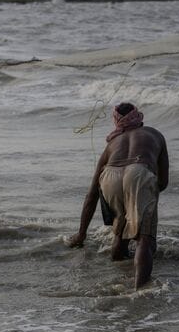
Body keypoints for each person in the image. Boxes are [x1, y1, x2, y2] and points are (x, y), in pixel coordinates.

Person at [68, 102, 169, 289]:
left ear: (117, 122)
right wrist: (143, 203)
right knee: (143, 239)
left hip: (110, 176)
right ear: (138, 116)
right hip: (139, 171)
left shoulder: (112, 144)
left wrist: (81, 235)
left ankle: (119, 268)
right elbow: (163, 182)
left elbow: (92, 194)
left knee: (121, 226)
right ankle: (140, 292)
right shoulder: (154, 134)